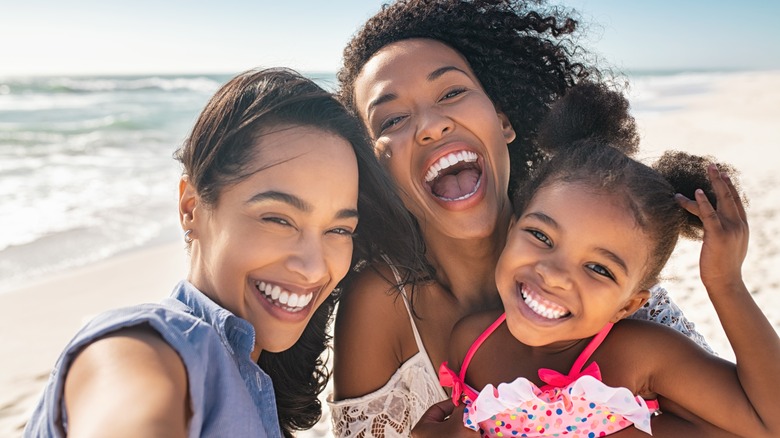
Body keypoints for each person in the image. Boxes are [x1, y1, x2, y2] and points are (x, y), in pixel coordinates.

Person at [329, 1, 712, 436]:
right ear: (375, 170)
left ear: (504, 121)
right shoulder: (380, 304)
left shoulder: (614, 282)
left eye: (452, 93)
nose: (431, 126)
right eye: (393, 119)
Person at [23, 68, 426, 438]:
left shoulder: (251, 373)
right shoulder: (150, 346)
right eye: (278, 219)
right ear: (191, 207)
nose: (313, 266)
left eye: (338, 229)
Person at [434, 84, 779, 437]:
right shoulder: (470, 342)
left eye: (599, 268)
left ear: (628, 305)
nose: (554, 275)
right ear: (511, 229)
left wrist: (726, 284)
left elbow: (770, 423)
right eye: (541, 236)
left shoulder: (640, 355)